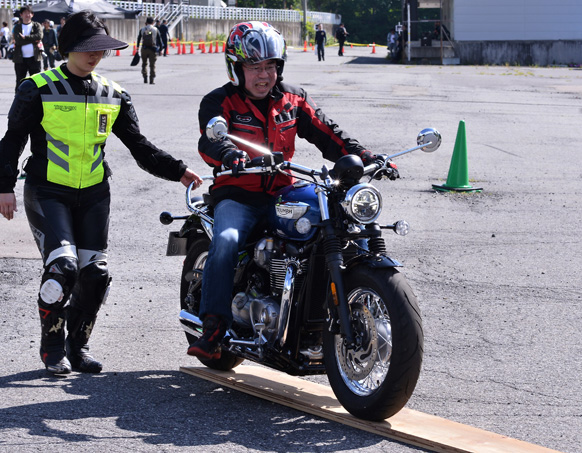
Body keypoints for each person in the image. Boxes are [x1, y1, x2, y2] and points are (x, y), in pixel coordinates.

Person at [0, 10, 203, 375]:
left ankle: (78, 347)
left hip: (95, 193)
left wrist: (179, 171)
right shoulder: (38, 88)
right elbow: (11, 141)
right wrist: (3, 187)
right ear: (68, 48)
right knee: (62, 269)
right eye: (87, 48)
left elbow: (139, 146)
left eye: (101, 49)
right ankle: (52, 347)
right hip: (47, 191)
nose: (95, 55)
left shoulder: (114, 94)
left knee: (95, 274)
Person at [186, 21, 397, 360]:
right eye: (254, 67)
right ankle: (213, 325)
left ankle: (334, 306)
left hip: (284, 188)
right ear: (236, 68)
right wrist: (228, 154)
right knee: (225, 241)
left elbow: (328, 132)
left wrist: (363, 154)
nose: (263, 74)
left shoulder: (293, 99)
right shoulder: (219, 102)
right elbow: (210, 140)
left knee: (339, 219)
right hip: (237, 193)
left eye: (270, 66)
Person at [12, 5, 42, 92]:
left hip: (35, 58)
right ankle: (18, 98)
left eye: (29, 13)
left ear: (32, 14)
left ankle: (36, 98)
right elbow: (18, 41)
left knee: (36, 80)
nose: (27, 15)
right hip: (20, 59)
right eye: (25, 13)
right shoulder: (17, 27)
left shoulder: (36, 25)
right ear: (21, 15)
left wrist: (25, 37)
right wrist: (33, 40)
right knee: (20, 80)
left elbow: (40, 36)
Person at [136, 17, 159, 84]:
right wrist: (160, 49)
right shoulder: (155, 29)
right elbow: (159, 39)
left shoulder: (142, 29)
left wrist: (137, 47)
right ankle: (151, 79)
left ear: (146, 22)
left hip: (144, 48)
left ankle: (145, 77)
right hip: (152, 49)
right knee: (152, 65)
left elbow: (138, 38)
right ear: (153, 22)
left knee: (144, 64)